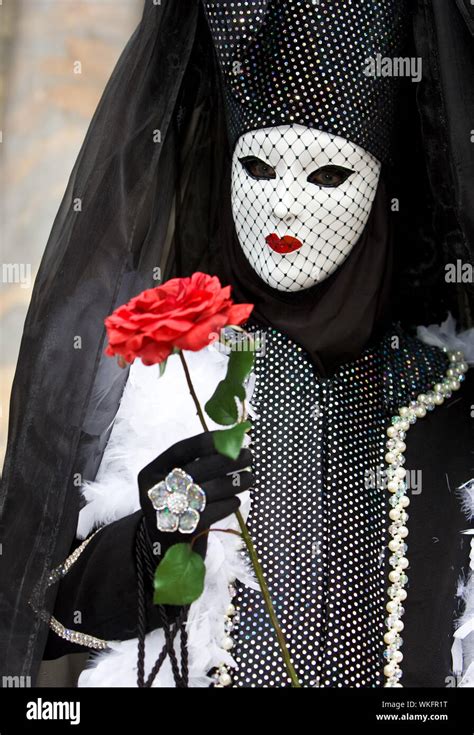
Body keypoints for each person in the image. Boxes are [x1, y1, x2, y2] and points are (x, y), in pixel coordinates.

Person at [1, 0, 473, 689]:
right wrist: (155, 541)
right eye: (259, 168)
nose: (283, 205)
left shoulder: (448, 398)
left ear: (379, 194)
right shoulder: (161, 375)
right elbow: (32, 615)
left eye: (326, 174)